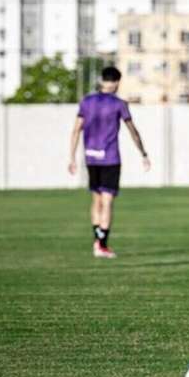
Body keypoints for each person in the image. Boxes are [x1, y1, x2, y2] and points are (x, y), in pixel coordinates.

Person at [68, 66, 150, 258]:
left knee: (96, 200)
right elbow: (133, 131)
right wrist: (143, 153)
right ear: (116, 82)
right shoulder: (119, 104)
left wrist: (71, 157)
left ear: (101, 80)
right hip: (110, 158)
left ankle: (97, 242)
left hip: (91, 157)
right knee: (107, 201)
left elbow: (76, 129)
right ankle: (102, 244)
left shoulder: (86, 102)